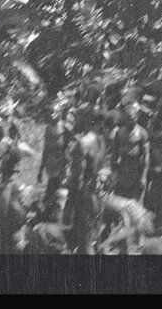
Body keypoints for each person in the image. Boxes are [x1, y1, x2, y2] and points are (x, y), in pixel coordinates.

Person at [64, 106, 108, 254]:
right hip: (97, 192)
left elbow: (77, 176)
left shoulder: (83, 143)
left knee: (85, 240)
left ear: (86, 120)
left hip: (84, 195)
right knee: (93, 236)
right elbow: (101, 167)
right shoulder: (101, 140)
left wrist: (70, 201)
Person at [111, 102, 150, 202]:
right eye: (128, 119)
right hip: (123, 167)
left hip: (135, 168)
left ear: (136, 117)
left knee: (135, 200)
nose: (130, 121)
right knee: (120, 198)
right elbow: (115, 152)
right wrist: (114, 172)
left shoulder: (142, 133)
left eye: (132, 118)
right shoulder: (119, 132)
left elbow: (146, 156)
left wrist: (143, 176)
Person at [38, 100, 73, 208]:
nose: (51, 115)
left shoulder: (65, 126)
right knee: (51, 189)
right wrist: (40, 169)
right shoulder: (48, 128)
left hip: (62, 163)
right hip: (51, 164)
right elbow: (46, 149)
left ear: (59, 113)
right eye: (50, 112)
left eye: (54, 112)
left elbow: (73, 145)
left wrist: (68, 159)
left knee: (60, 190)